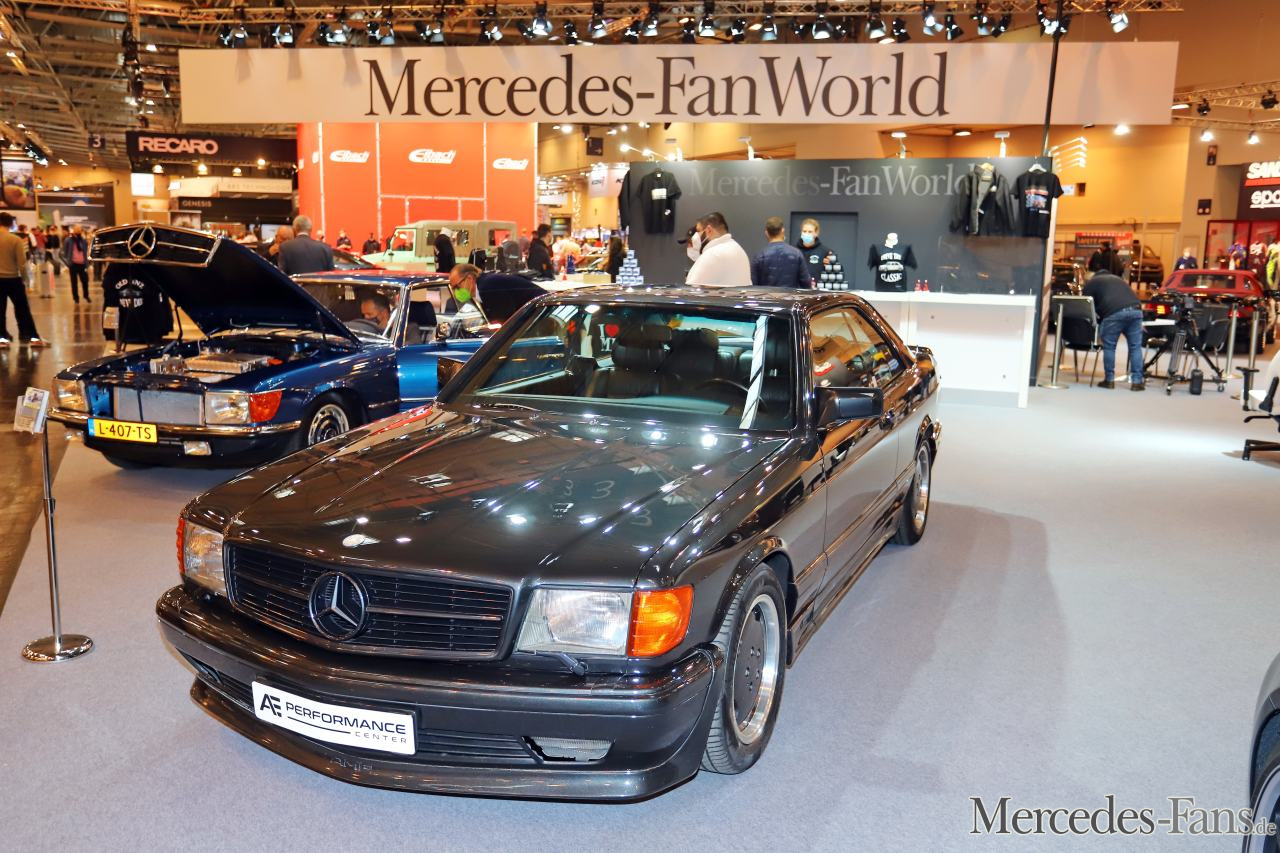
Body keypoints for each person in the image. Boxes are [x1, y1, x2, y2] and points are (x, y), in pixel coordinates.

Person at [1083, 270, 1145, 391]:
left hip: (1114, 313)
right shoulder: (1118, 279)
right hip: (1136, 311)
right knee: (1135, 347)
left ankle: (1109, 380)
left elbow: (1086, 305)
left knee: (1109, 347)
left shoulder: (1092, 282)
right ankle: (1137, 382)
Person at [0, 212, 46, 346]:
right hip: (14, 279)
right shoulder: (15, 240)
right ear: (11, 224)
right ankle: (30, 336)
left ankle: (2, 338)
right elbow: (22, 263)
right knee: (22, 309)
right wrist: (26, 281)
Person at [685, 211, 751, 287]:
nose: (695, 237)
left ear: (709, 230)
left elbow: (693, 289)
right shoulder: (739, 250)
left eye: (698, 231)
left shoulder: (712, 255)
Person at [751, 217, 812, 289]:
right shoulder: (796, 254)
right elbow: (806, 284)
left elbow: (754, 285)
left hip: (768, 296)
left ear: (766, 233)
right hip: (790, 295)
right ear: (782, 231)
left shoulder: (759, 256)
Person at [796, 218, 836, 282]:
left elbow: (837, 273)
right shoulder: (794, 251)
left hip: (817, 287)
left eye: (810, 232)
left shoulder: (825, 252)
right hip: (796, 287)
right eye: (804, 231)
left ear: (816, 233)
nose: (806, 234)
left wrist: (831, 265)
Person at [62, 223, 91, 303]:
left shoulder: (83, 241)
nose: (78, 231)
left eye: (79, 229)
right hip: (73, 264)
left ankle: (86, 296)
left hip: (82, 264)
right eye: (76, 229)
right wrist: (68, 263)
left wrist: (87, 264)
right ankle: (76, 298)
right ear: (74, 230)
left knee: (85, 281)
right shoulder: (68, 240)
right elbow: (64, 253)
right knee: (74, 283)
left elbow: (85, 252)